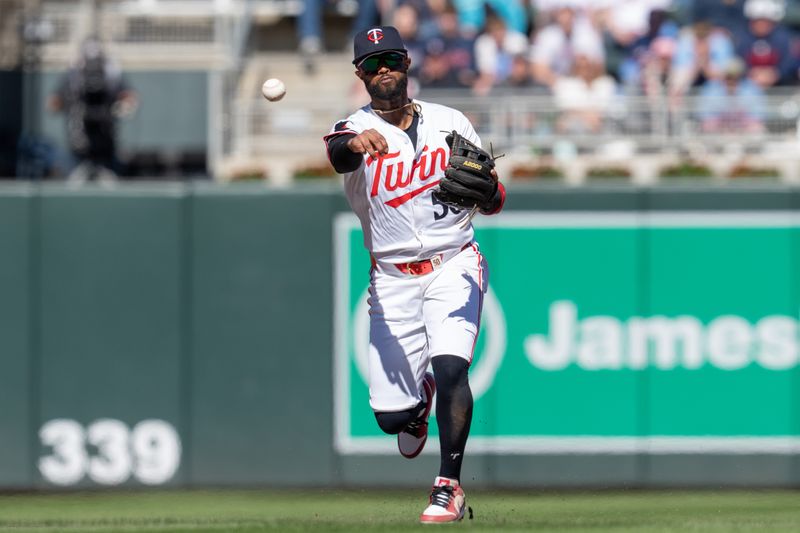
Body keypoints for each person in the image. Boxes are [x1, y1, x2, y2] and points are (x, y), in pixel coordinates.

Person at [323, 25, 506, 524]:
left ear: (406, 63)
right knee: (393, 420)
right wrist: (357, 143)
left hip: (454, 262)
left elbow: (494, 197)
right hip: (393, 280)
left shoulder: (450, 121)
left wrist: (487, 192)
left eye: (390, 59)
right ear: (360, 74)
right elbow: (338, 153)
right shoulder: (351, 127)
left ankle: (448, 485)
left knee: (452, 368)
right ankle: (416, 404)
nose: (383, 69)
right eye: (371, 63)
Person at [48, 36, 137, 183]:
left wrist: (124, 105)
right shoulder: (73, 75)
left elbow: (129, 96)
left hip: (106, 144)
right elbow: (54, 102)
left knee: (108, 179)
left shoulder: (111, 73)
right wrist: (64, 104)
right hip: (78, 146)